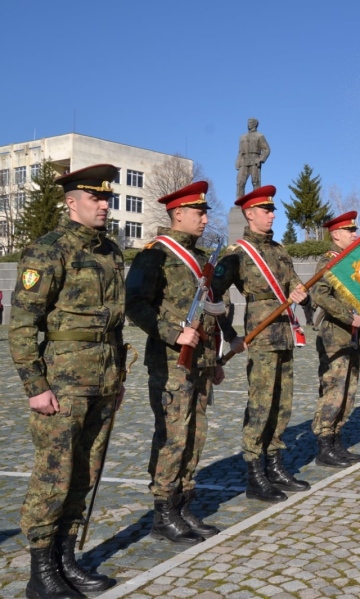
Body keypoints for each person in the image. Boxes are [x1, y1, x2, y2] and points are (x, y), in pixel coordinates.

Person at [10, 164, 125, 597]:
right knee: (54, 474)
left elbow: (114, 324)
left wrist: (118, 378)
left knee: (86, 473)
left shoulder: (110, 252)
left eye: (106, 198)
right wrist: (35, 385)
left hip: (103, 379)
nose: (103, 204)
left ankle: (66, 558)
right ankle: (41, 572)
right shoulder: (48, 250)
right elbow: (22, 323)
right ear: (71, 201)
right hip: (62, 382)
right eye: (95, 197)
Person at [125, 181, 226, 546]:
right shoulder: (155, 254)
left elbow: (207, 313)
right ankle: (163, 512)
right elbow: (135, 305)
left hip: (199, 362)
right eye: (199, 212)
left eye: (205, 212)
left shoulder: (198, 258)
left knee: (195, 435)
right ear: (178, 214)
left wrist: (213, 358)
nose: (204, 218)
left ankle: (183, 504)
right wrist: (173, 333)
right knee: (172, 436)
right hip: (171, 363)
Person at [212, 185, 311, 503]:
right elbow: (213, 293)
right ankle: (255, 474)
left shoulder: (280, 250)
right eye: (265, 211)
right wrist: (229, 334)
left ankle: (275, 464)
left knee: (283, 405)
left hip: (284, 333)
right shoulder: (237, 254)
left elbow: (294, 279)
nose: (271, 215)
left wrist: (299, 291)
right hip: (260, 337)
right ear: (249, 214)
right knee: (261, 405)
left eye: (272, 211)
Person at [310, 212, 360, 469]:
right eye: (349, 231)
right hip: (335, 335)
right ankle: (324, 443)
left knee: (348, 390)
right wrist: (347, 315)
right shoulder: (328, 261)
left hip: (352, 335)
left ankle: (337, 439)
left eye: (355, 230)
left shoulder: (350, 261)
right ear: (336, 235)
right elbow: (319, 294)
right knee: (333, 389)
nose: (355, 234)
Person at [235, 117, 271, 198]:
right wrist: (238, 161)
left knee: (255, 182)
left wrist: (261, 159)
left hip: (255, 159)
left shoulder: (259, 136)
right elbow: (240, 151)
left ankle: (256, 202)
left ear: (255, 124)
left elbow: (267, 149)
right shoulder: (242, 137)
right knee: (240, 182)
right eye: (248, 122)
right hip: (243, 160)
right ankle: (239, 203)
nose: (248, 124)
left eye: (250, 122)